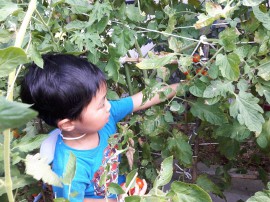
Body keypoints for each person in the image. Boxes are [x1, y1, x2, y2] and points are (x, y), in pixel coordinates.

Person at [20, 54, 178, 201]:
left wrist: (180, 87)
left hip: (119, 189)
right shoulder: (68, 171)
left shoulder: (106, 117)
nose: (109, 106)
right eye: (101, 104)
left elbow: (143, 98)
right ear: (68, 124)